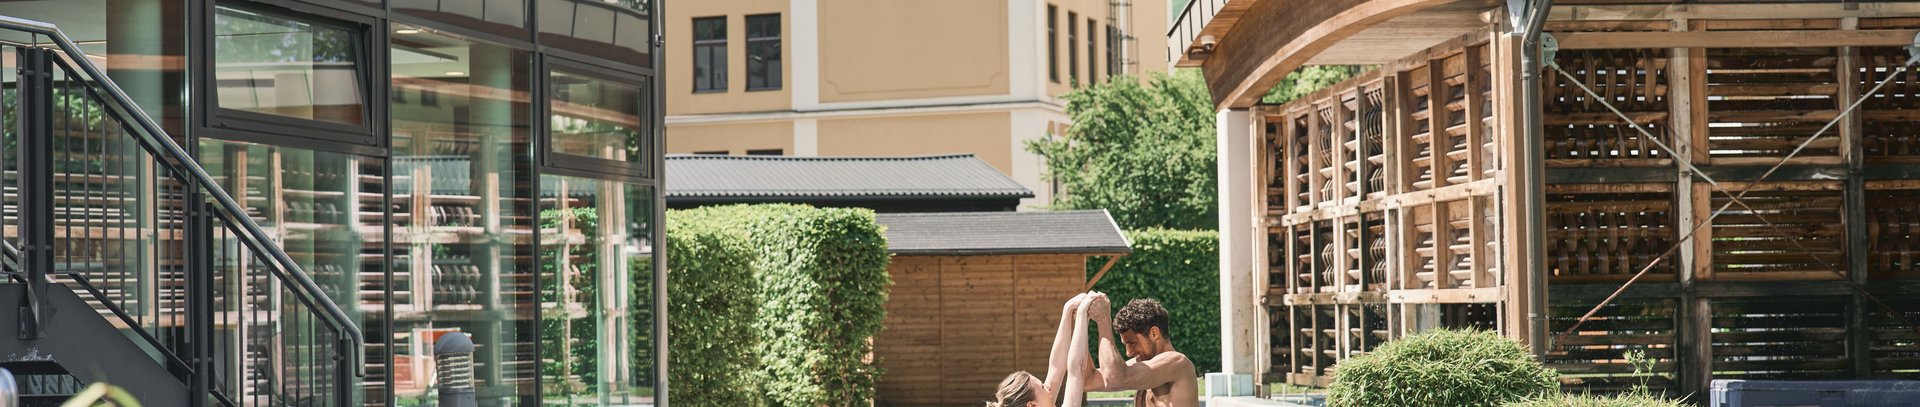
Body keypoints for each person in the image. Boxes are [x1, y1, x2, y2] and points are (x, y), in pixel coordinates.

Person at [1083, 295, 1198, 407]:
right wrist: (1079, 322)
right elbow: (1087, 381)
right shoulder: (1142, 363)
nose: (1128, 353)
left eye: (1132, 343)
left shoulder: (1178, 364)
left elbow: (1116, 378)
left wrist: (1103, 319)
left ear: (1154, 333)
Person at [988, 293, 1098, 407]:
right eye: (1042, 386)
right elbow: (1077, 369)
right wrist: (1082, 314)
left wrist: (1068, 309)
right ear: (1031, 405)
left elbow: (1056, 368)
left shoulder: (1041, 402)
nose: (1048, 386)